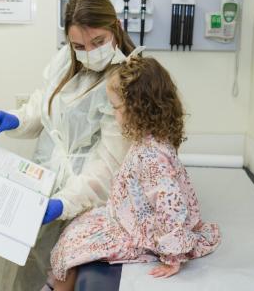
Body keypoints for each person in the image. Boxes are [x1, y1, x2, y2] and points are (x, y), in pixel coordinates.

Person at [0, 0, 143, 291]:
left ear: (116, 28)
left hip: (84, 199)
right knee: (15, 267)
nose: (89, 52)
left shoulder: (127, 82)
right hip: (43, 180)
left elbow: (108, 166)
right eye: (79, 45)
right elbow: (46, 107)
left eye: (98, 42)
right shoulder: (67, 61)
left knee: (51, 273)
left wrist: (63, 203)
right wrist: (16, 118)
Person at [50, 56, 221, 291]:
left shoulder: (152, 156)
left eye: (116, 108)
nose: (114, 114)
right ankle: (57, 285)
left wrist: (172, 257)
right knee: (74, 231)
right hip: (129, 215)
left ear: (138, 109)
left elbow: (171, 207)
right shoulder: (148, 139)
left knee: (73, 248)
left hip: (144, 232)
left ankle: (57, 286)